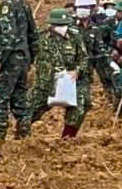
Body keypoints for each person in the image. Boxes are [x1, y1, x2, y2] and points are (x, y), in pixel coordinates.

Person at [0, 0, 39, 143]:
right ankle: (24, 136)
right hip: (23, 59)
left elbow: (8, 36)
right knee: (20, 98)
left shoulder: (7, 5)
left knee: (0, 98)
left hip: (10, 59)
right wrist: (31, 58)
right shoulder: (24, 4)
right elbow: (33, 34)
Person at [29, 8, 91, 140]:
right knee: (29, 111)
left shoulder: (75, 37)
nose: (62, 28)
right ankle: (20, 136)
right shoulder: (39, 38)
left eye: (64, 25)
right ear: (51, 25)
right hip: (45, 83)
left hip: (69, 82)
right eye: (58, 25)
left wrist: (78, 70)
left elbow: (84, 58)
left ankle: (67, 138)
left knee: (81, 106)